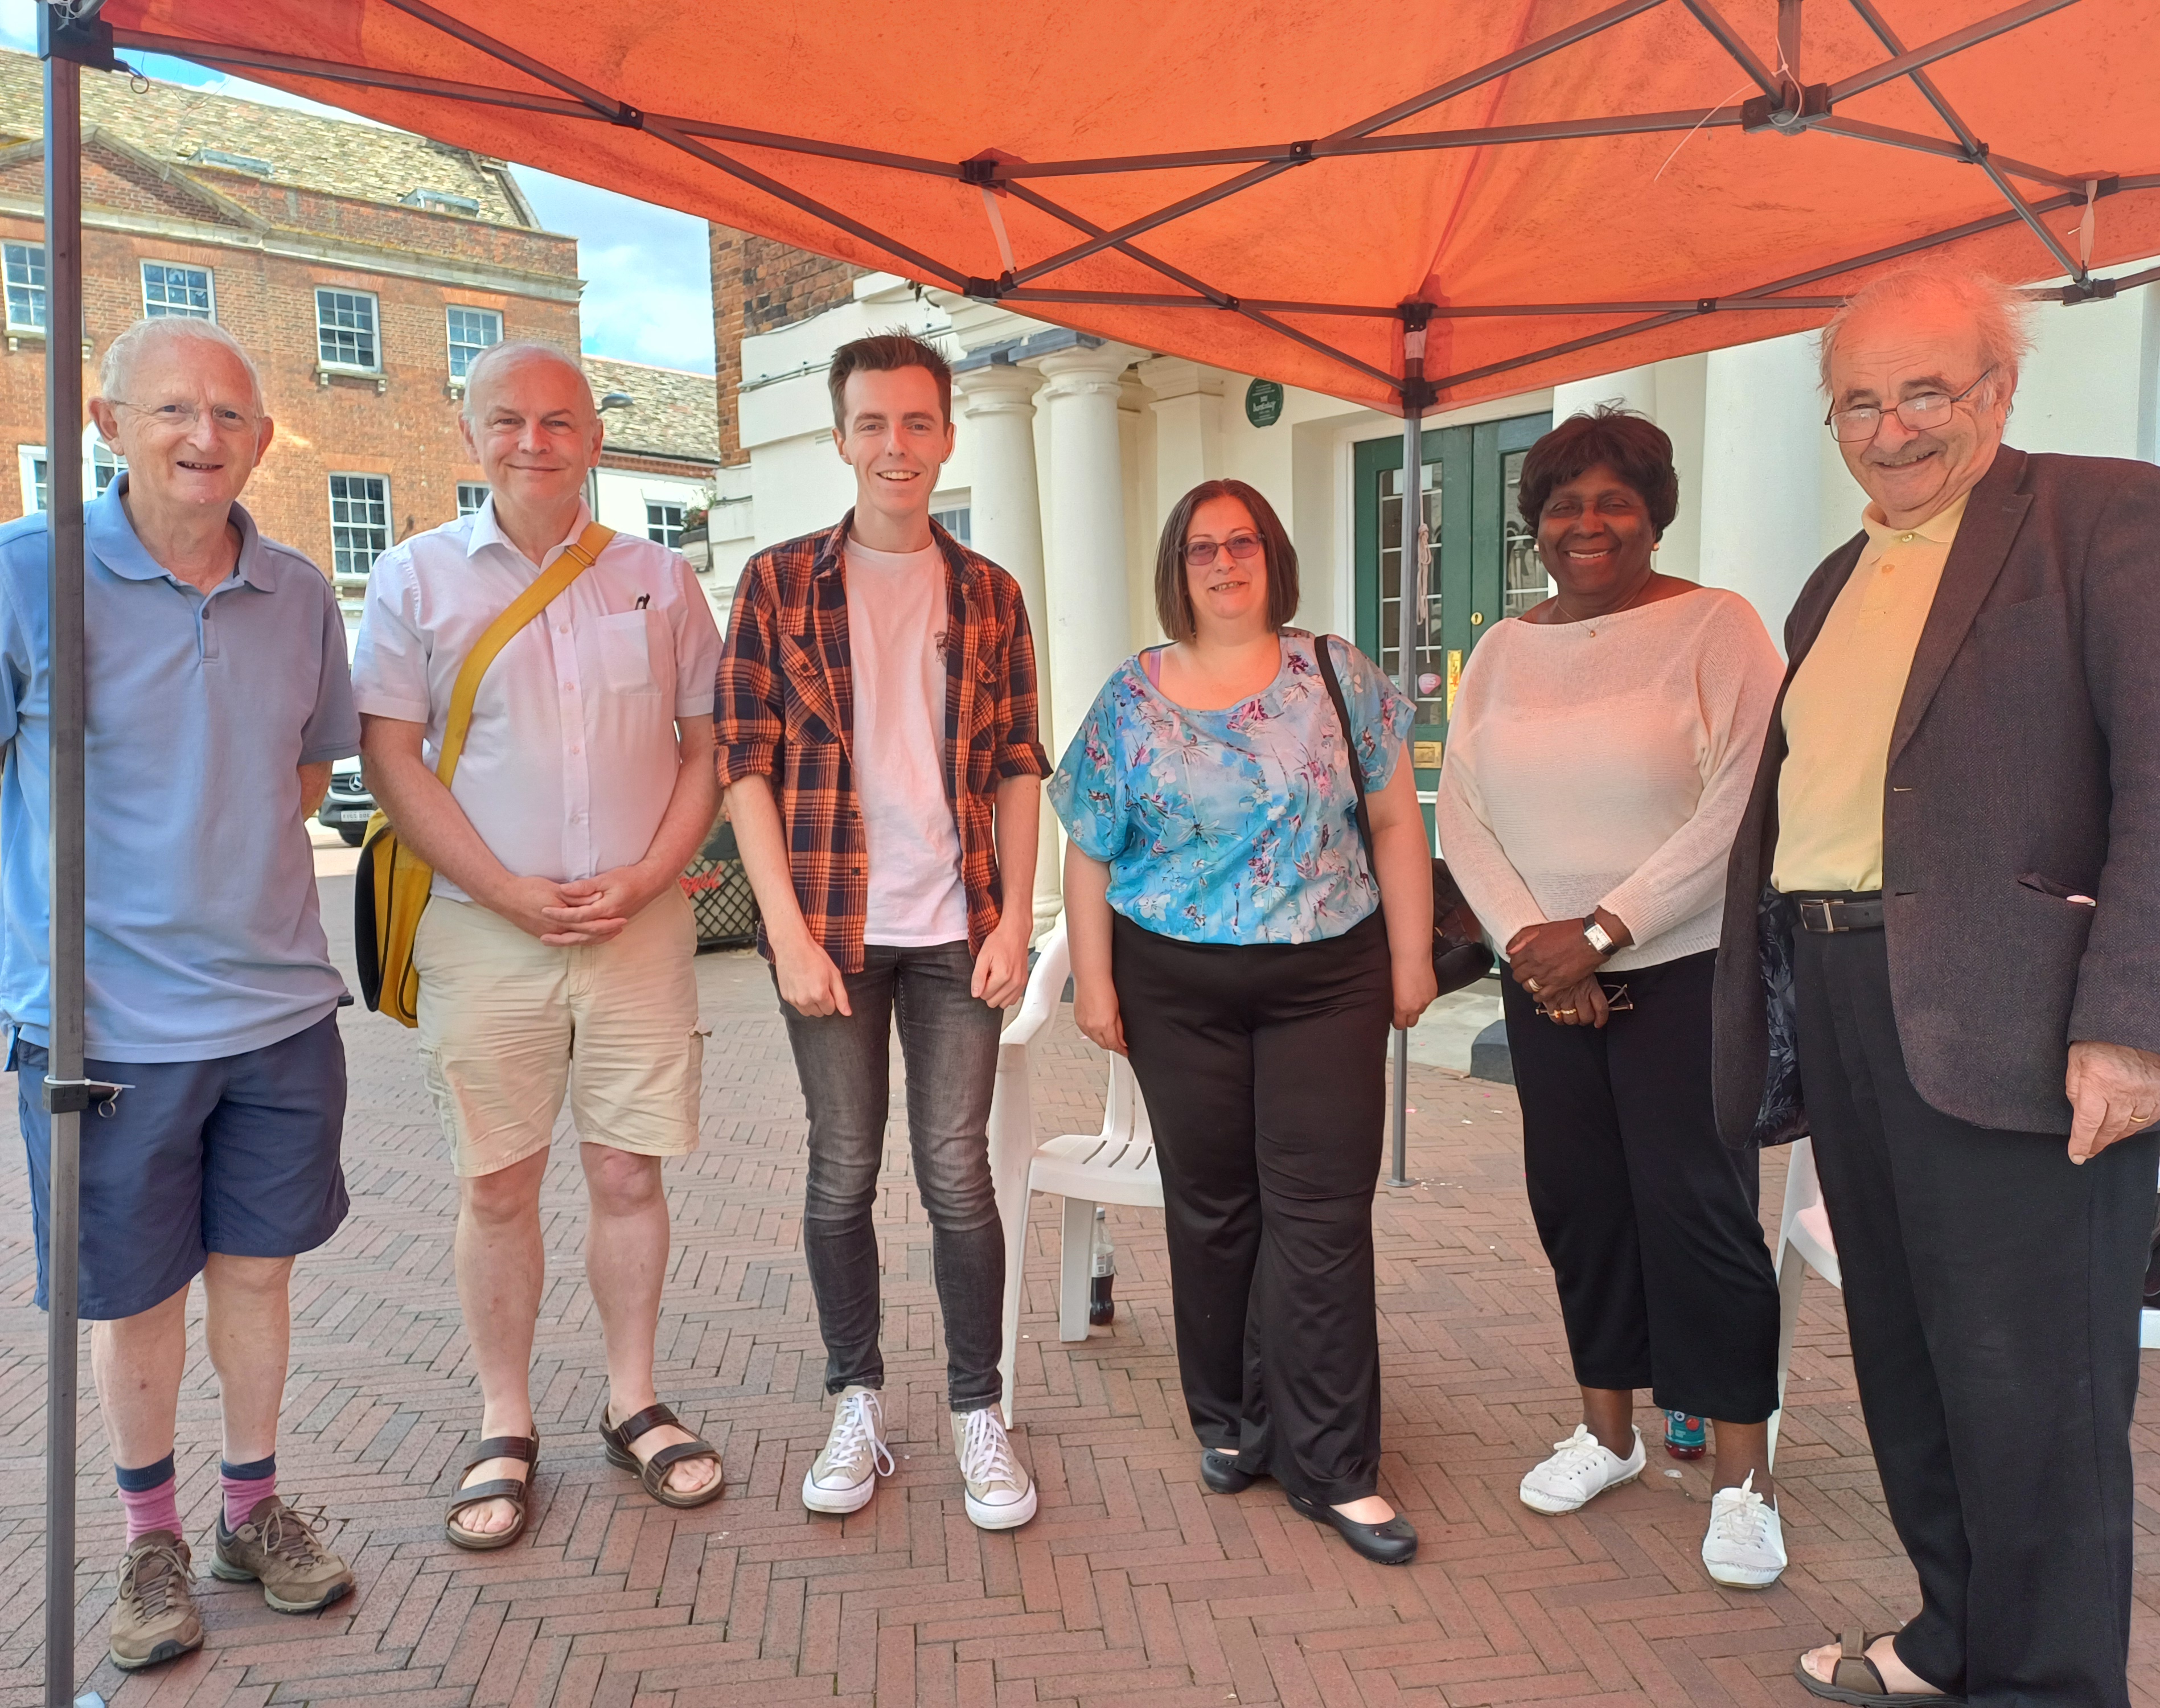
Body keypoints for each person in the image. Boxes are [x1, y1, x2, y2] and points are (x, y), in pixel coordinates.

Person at [1709, 265, 2160, 1706]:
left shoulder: (2101, 516)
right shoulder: (1833, 577)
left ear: (1996, 392)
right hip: (1843, 1001)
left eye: (1923, 392)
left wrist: (2128, 1026)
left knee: (2037, 1396)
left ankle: (2050, 1683)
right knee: (1912, 1366)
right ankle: (1955, 1639)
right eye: (1858, 403)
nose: (1890, 428)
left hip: (2020, 1026)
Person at [0, 317, 357, 1670]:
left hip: (275, 1014)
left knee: (256, 1280)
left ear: (262, 439)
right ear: (106, 424)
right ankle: (151, 1538)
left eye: (228, 415)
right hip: (103, 1031)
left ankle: (249, 1512)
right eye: (170, 411)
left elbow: (308, 777)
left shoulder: (303, 594)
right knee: (136, 1296)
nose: (201, 437)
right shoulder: (31, 579)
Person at [356, 341, 727, 1550]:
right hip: (483, 930)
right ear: (470, 435)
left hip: (638, 926)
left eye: (558, 421)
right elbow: (391, 759)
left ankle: (634, 1399)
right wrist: (508, 890)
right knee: (496, 1180)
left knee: (629, 1171)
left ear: (594, 438)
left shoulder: (659, 580)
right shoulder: (413, 578)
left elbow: (706, 746)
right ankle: (503, 1418)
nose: (534, 441)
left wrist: (652, 872)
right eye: (507, 421)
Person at [1052, 478, 1435, 1566]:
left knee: (1318, 1217)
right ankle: (1232, 1425)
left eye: (1245, 543)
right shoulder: (1131, 698)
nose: (1225, 563)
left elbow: (1398, 819)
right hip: (1176, 983)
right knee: (1213, 1212)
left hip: (1327, 976)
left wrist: (1411, 955)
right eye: (1203, 549)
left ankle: (1335, 1467)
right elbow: (1088, 843)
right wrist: (1094, 981)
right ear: (1178, 567)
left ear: (1274, 557)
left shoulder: (1335, 672)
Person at [1438, 408, 1788, 1588]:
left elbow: (1739, 809)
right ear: (1532, 523)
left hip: (1681, 971)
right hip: (1543, 978)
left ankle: (1740, 1475)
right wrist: (1537, 954)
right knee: (1579, 1208)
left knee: (1698, 1214)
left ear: (1653, 511)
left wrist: (1599, 932)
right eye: (1560, 503)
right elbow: (1461, 816)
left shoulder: (1716, 629)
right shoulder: (1497, 652)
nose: (1585, 523)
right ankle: (1606, 1433)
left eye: (1611, 501)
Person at [717, 331, 1046, 1531]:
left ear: (946, 434)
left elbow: (1018, 765)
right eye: (872, 424)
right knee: (841, 1168)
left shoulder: (990, 593)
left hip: (958, 925)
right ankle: (853, 1397)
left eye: (916, 423)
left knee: (956, 1174)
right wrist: (788, 933)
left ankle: (976, 1409)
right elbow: (741, 768)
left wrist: (1013, 913)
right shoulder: (776, 585)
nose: (894, 446)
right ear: (841, 436)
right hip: (833, 928)